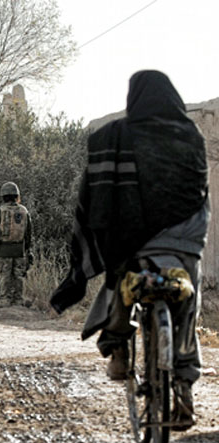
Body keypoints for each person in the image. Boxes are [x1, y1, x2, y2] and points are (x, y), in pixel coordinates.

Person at [51, 70, 209, 422]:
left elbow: (96, 195)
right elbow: (201, 195)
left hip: (133, 241)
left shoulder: (117, 135)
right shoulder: (191, 135)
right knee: (188, 308)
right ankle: (183, 389)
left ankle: (118, 348)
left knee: (120, 278)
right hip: (185, 242)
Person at [0, 182, 33, 307]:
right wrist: (27, 248)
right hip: (20, 249)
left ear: (3, 196)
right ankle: (18, 299)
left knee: (4, 275)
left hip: (3, 250)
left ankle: (5, 299)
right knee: (19, 276)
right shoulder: (24, 211)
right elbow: (28, 233)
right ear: (16, 195)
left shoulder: (0, 211)